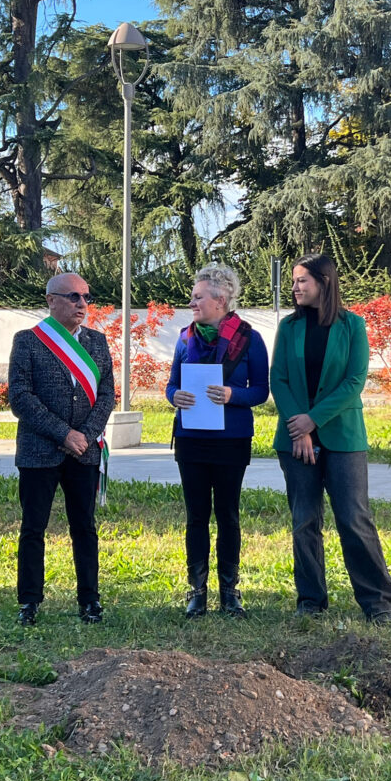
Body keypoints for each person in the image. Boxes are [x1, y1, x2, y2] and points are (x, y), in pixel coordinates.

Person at [270, 253, 391, 624]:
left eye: (301, 281)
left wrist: (313, 420)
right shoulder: (289, 328)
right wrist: (300, 427)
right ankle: (311, 600)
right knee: (304, 520)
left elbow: (354, 382)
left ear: (324, 282)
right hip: (295, 440)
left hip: (344, 438)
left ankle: (378, 603)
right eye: (293, 282)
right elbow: (279, 379)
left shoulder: (352, 326)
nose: (294, 288)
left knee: (354, 518)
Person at [8, 273, 114, 626]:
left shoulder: (98, 343)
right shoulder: (28, 341)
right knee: (33, 527)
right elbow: (20, 398)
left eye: (86, 297)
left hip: (84, 450)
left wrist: (85, 434)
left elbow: (106, 396)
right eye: (73, 297)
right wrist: (63, 433)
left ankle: (89, 601)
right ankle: (29, 602)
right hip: (39, 450)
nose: (82, 304)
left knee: (84, 526)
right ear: (51, 299)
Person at [166, 264, 269, 618]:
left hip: (231, 440)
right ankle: (196, 591)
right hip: (191, 440)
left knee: (227, 515)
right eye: (193, 297)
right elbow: (171, 384)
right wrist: (174, 396)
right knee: (196, 516)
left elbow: (261, 390)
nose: (192, 302)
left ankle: (229, 591)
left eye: (198, 297)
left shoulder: (250, 338)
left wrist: (231, 395)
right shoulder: (184, 338)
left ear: (220, 300)